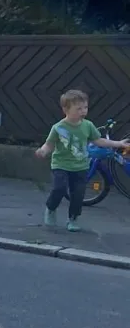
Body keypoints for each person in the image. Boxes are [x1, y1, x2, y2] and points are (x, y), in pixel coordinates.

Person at [36, 89, 129, 231]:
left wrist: (119, 144)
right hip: (61, 165)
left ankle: (73, 219)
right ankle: (51, 208)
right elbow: (49, 144)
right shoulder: (58, 127)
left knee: (78, 194)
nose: (83, 111)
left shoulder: (88, 125)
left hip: (80, 167)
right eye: (78, 108)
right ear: (66, 109)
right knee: (59, 188)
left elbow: (99, 141)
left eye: (85, 107)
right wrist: (43, 151)